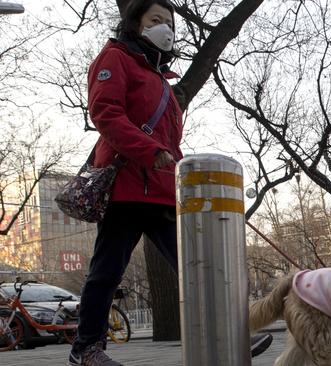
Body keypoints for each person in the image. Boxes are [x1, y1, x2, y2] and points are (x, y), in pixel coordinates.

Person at [67, 1, 271, 365]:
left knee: (198, 265)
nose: (165, 28)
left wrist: (177, 167)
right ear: (136, 24)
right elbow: (105, 113)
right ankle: (86, 349)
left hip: (162, 191)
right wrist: (150, 150)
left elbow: (168, 142)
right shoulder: (114, 58)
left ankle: (229, 333)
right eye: (156, 20)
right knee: (107, 271)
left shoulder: (162, 78)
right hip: (126, 187)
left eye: (170, 23)